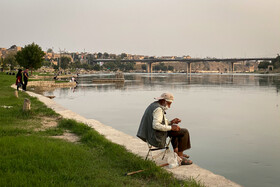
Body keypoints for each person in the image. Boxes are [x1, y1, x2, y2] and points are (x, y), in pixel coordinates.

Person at [137, 92, 192, 165]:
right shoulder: (158, 109)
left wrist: (171, 122)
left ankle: (177, 152)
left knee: (176, 131)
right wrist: (171, 127)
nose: (169, 106)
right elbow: (156, 125)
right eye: (169, 103)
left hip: (150, 133)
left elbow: (159, 122)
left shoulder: (154, 105)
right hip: (154, 136)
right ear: (163, 101)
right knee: (184, 132)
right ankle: (180, 157)